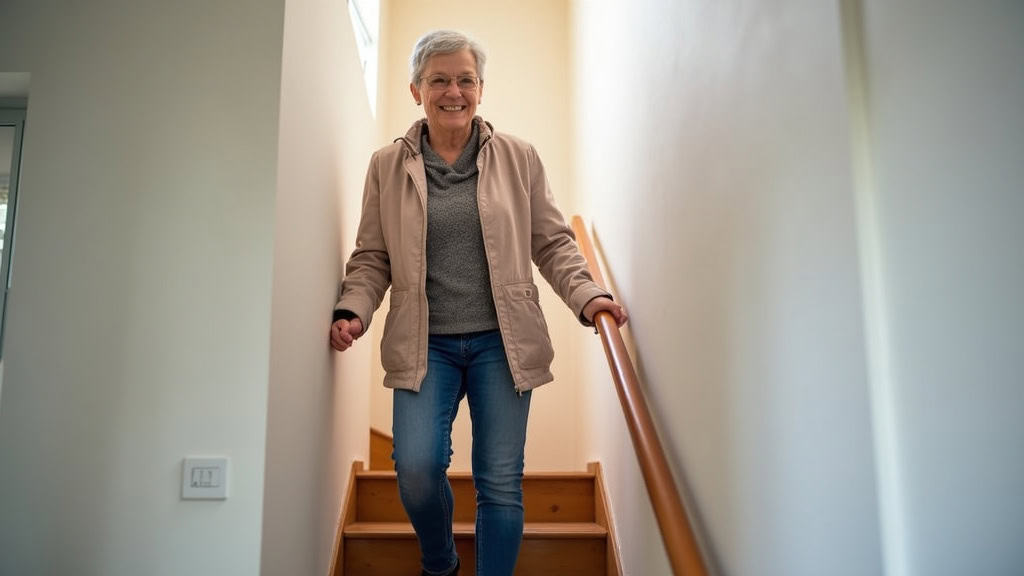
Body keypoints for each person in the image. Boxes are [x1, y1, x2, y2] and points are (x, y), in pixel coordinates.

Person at [329, 29, 627, 576]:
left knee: (499, 482)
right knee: (417, 469)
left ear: (481, 89)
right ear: (415, 90)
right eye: (439, 79)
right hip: (425, 345)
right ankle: (440, 563)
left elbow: (553, 242)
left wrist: (591, 297)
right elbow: (372, 255)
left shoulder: (519, 157)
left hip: (502, 343)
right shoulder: (386, 166)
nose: (453, 91)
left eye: (465, 79)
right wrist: (354, 309)